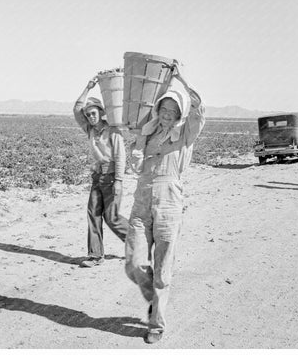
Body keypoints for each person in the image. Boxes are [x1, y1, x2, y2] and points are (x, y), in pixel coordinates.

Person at [124, 67, 205, 344]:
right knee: (133, 262)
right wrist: (135, 142)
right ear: (158, 110)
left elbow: (198, 107)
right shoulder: (146, 133)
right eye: (164, 109)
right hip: (142, 200)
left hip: (169, 203)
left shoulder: (185, 135)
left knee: (162, 269)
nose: (167, 115)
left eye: (173, 111)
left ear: (180, 113)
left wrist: (180, 79)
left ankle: (156, 323)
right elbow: (133, 165)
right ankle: (153, 298)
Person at [73, 76, 129, 268]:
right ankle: (95, 255)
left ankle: (139, 243)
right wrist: (88, 88)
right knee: (93, 214)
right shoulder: (90, 130)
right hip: (97, 176)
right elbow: (76, 110)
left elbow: (121, 157)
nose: (90, 116)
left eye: (93, 113)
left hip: (111, 176)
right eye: (88, 114)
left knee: (112, 218)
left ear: (101, 112)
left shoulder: (113, 131)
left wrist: (119, 181)